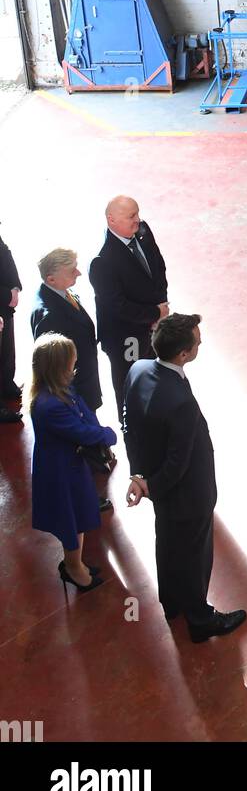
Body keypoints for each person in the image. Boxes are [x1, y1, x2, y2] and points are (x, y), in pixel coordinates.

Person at [123, 313, 246, 643]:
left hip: (157, 485)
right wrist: (151, 485)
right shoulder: (180, 402)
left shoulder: (138, 370)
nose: (200, 343)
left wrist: (140, 477)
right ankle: (200, 618)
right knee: (195, 552)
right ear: (182, 354)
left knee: (167, 541)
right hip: (188, 492)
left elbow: (129, 426)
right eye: (196, 341)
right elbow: (179, 462)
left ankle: (172, 603)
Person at [30, 333, 117, 595]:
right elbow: (80, 430)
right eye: (71, 362)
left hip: (70, 465)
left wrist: (96, 427)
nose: (75, 366)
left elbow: (83, 412)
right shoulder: (49, 405)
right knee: (70, 518)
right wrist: (107, 434)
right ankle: (73, 567)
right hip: (59, 471)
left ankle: (75, 562)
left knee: (77, 514)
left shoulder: (60, 391)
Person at [32, 249, 114, 512]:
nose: (78, 273)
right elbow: (54, 364)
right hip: (74, 387)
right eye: (72, 270)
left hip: (83, 379)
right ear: (52, 278)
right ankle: (88, 497)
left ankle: (98, 456)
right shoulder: (49, 316)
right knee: (79, 443)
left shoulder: (61, 295)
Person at [89, 196, 169, 418]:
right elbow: (117, 306)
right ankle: (132, 426)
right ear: (111, 220)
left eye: (138, 213)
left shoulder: (142, 231)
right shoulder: (102, 262)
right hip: (126, 337)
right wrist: (155, 313)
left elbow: (158, 268)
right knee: (130, 383)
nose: (138, 220)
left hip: (153, 324)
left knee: (156, 373)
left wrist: (161, 306)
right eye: (131, 216)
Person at [0, 225, 23, 422]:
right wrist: (6, 294)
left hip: (4, 302)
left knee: (6, 349)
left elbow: (4, 252)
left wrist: (14, 286)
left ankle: (6, 385)